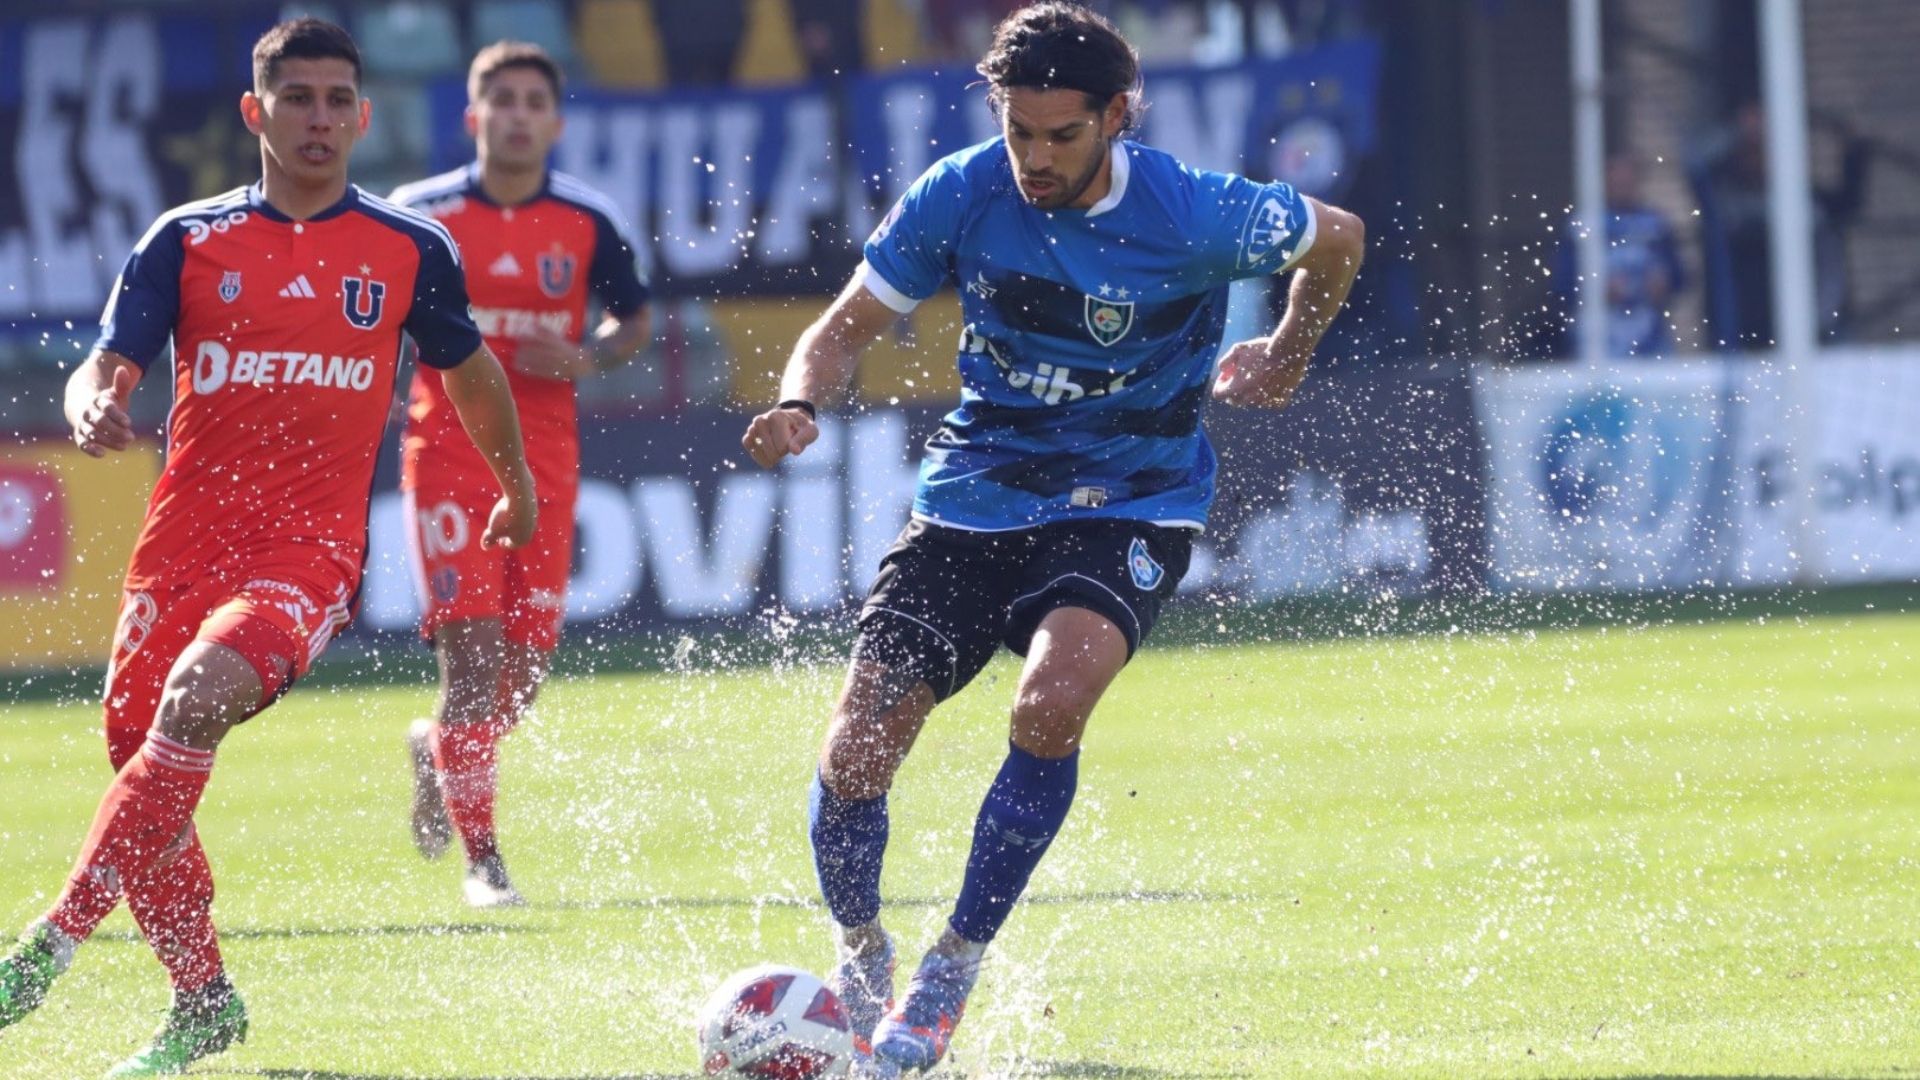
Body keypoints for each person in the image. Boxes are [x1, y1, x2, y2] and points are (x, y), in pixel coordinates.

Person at [739, 3, 1363, 1073]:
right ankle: (861, 949)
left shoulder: (1194, 209)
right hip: (977, 490)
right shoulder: (961, 190)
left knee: (1051, 700)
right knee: (860, 747)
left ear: (1117, 115)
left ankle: (952, 965)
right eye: (1018, 130)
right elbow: (841, 330)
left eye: (1061, 135)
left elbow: (1338, 237)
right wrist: (799, 402)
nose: (1034, 157)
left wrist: (1288, 350)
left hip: (1134, 496)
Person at [0, 19, 535, 1077]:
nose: (318, 120)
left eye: (337, 101)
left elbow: (469, 369)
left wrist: (514, 483)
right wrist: (93, 403)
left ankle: (46, 945)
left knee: (194, 699)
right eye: (298, 99)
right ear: (256, 111)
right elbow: (106, 362)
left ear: (363, 117)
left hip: (306, 554)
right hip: (179, 549)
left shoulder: (408, 249)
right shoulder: (186, 239)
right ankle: (202, 1001)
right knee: (146, 763)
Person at [391, 41, 651, 909]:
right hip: (447, 457)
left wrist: (588, 355)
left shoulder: (587, 220)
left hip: (545, 464)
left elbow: (634, 321)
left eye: (534, 102)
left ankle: (437, 749)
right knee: (472, 663)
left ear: (556, 122)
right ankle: (486, 862)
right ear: (473, 116)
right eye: (501, 100)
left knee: (521, 680)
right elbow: (373, 318)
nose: (517, 115)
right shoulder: (420, 216)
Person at [1558, 153, 1687, 358]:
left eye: (1628, 183)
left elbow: (1679, 276)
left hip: (1650, 339)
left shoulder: (1655, 224)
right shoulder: (1583, 224)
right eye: (1617, 183)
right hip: (1598, 341)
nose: (1623, 189)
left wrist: (1665, 283)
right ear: (1604, 183)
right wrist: (1596, 290)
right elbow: (1562, 284)